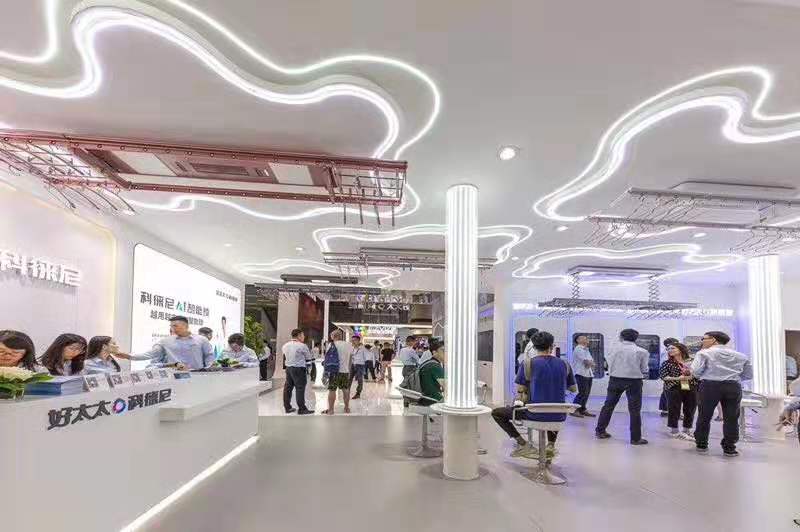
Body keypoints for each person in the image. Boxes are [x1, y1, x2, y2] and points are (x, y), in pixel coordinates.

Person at [492, 331, 576, 458]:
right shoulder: (565, 364)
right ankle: (551, 445)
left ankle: (523, 444)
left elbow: (521, 390)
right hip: (559, 415)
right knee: (553, 407)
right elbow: (573, 389)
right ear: (552, 346)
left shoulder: (527, 364)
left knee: (497, 413)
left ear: (534, 347)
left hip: (534, 414)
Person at [691, 331, 752, 457]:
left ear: (713, 339)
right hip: (733, 386)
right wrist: (732, 377)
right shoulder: (741, 355)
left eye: (704, 338)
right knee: (732, 417)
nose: (702, 341)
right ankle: (730, 448)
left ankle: (702, 444)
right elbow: (748, 375)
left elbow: (695, 372)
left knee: (704, 415)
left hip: (709, 386)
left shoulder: (703, 353)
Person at [595, 329, 650, 445]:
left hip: (615, 379)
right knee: (635, 410)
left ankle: (600, 431)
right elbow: (644, 369)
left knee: (608, 406)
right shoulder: (642, 351)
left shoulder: (613, 349)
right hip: (634, 381)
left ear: (621, 337)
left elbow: (607, 365)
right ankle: (635, 438)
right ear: (636, 338)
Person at [122, 315, 214, 370]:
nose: (173, 328)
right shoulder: (166, 341)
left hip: (197, 377)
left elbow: (209, 356)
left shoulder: (201, 340)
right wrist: (128, 356)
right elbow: (149, 354)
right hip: (174, 377)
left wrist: (206, 370)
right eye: (171, 326)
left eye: (175, 326)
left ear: (185, 326)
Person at [659, 342, 698, 440]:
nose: (670, 350)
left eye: (673, 348)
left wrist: (691, 375)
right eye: (668, 349)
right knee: (674, 409)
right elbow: (664, 377)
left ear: (680, 349)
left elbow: (698, 373)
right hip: (673, 387)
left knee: (690, 409)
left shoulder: (692, 361)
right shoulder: (667, 363)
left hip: (691, 386)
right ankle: (674, 431)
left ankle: (686, 430)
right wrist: (678, 378)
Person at [281, 328, 314, 415]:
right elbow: (308, 359)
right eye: (303, 335)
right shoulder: (302, 346)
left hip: (288, 369)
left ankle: (287, 407)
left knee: (288, 388)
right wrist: (309, 370)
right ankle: (302, 409)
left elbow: (285, 357)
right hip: (299, 369)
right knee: (300, 388)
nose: (304, 337)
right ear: (299, 335)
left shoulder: (285, 345)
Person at [324, 329, 353, 415]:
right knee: (345, 389)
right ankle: (346, 408)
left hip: (334, 371)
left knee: (332, 390)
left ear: (334, 336)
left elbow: (327, 358)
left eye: (332, 337)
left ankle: (331, 410)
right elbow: (350, 360)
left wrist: (325, 371)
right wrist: (349, 371)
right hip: (345, 371)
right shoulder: (348, 345)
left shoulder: (331, 345)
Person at [570, 335, 595, 417]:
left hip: (588, 374)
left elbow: (592, 363)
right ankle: (574, 410)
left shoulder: (586, 350)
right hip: (581, 374)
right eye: (583, 337)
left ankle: (582, 409)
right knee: (582, 393)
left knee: (586, 393)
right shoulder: (578, 349)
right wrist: (590, 363)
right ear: (578, 340)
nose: (586, 338)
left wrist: (590, 363)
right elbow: (587, 362)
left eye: (586, 338)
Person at [418, 337, 446, 406]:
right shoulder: (435, 366)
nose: (446, 353)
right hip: (433, 400)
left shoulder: (428, 363)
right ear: (434, 352)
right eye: (443, 351)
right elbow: (446, 386)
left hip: (424, 398)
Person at [659, 338, 679, 416]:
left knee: (666, 393)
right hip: (671, 376)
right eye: (676, 343)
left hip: (671, 376)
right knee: (669, 393)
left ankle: (665, 411)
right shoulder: (667, 353)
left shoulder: (668, 352)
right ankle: (667, 411)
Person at [350, 334, 367, 399]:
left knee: (360, 380)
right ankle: (347, 391)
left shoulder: (363, 348)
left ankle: (358, 393)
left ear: (358, 341)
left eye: (354, 340)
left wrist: (361, 362)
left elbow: (366, 358)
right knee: (349, 379)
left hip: (360, 365)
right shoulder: (352, 348)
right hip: (352, 365)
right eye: (352, 340)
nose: (353, 342)